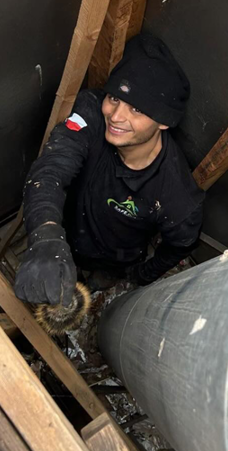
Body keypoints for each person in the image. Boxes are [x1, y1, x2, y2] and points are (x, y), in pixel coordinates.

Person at [14, 34, 204, 307]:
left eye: (136, 109)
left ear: (164, 122)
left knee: (101, 280)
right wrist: (46, 235)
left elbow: (181, 245)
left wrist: (137, 276)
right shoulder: (91, 112)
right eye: (114, 98)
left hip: (114, 261)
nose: (115, 116)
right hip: (66, 236)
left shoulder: (177, 196)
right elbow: (51, 169)